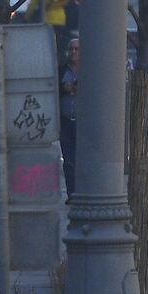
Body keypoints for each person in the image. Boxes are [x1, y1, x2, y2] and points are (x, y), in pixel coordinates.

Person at [59, 38, 79, 196]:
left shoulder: (87, 70)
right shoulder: (62, 70)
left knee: (83, 158)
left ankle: (82, 190)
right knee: (68, 160)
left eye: (76, 49)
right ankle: (71, 193)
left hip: (83, 122)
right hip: (65, 121)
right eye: (71, 49)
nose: (73, 52)